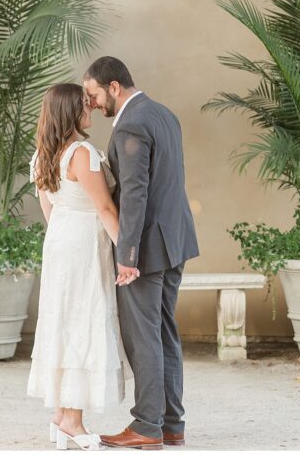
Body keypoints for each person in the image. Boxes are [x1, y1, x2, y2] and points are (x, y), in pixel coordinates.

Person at [83, 57, 200, 451]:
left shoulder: (131, 124)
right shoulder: (164, 114)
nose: (93, 104)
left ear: (113, 87)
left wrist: (126, 254)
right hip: (176, 241)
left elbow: (135, 193)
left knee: (144, 335)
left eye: (94, 95)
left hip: (146, 249)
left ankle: (147, 426)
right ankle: (172, 424)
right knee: (164, 330)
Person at [27, 83, 132, 451]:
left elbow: (49, 211)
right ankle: (72, 420)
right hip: (85, 243)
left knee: (63, 321)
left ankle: (60, 414)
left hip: (59, 241)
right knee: (82, 322)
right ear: (72, 112)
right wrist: (128, 254)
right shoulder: (82, 153)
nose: (91, 108)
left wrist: (64, 234)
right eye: (85, 105)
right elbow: (105, 209)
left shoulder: (43, 155)